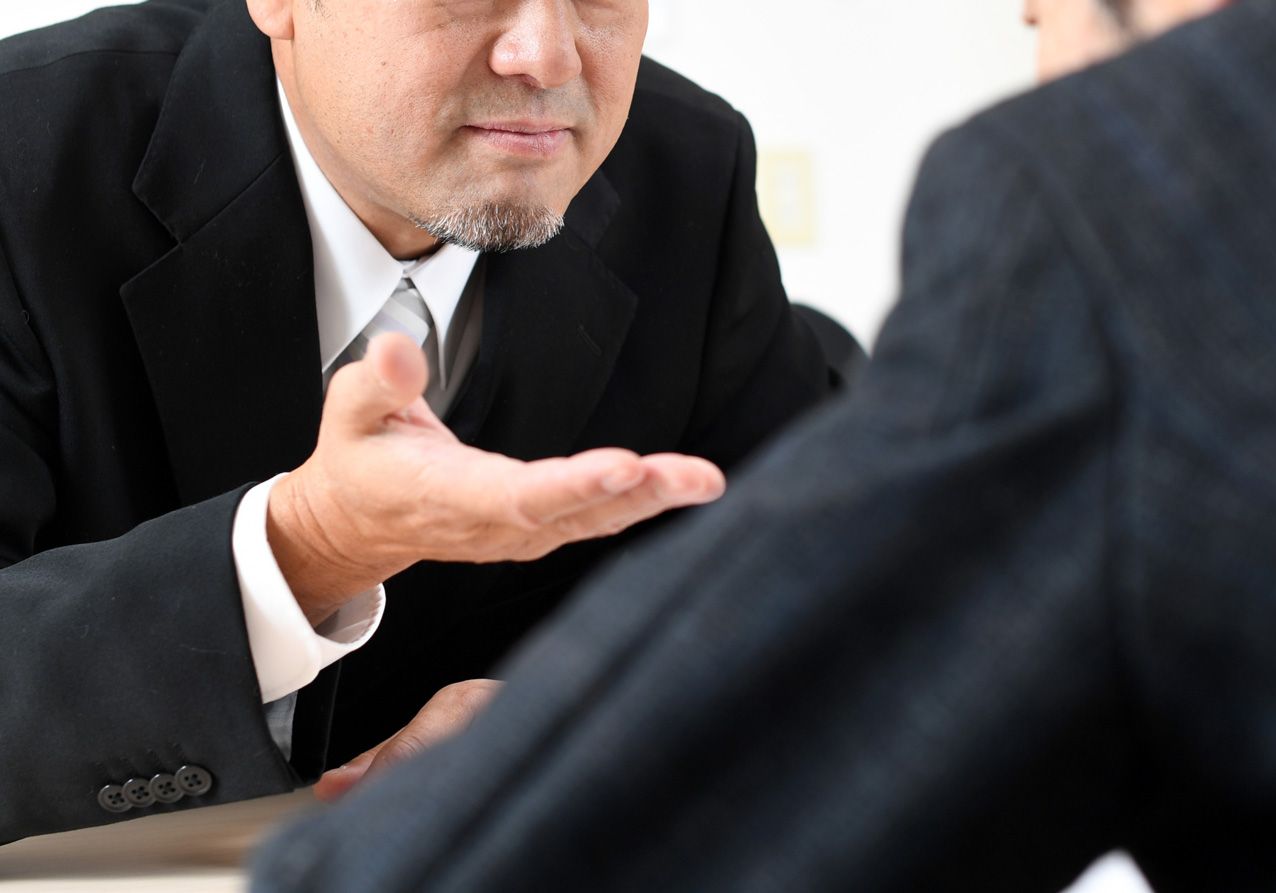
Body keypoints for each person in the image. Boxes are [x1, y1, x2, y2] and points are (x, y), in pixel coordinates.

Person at [251, 0, 1276, 889]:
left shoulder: (1132, 197)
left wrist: (550, 732)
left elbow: (818, 668)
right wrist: (300, 547)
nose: (544, 53)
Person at [0, 0, 838, 842]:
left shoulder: (689, 171)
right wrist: (307, 548)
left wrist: (613, 709)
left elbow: (833, 596)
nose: (546, 56)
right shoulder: (21, 152)